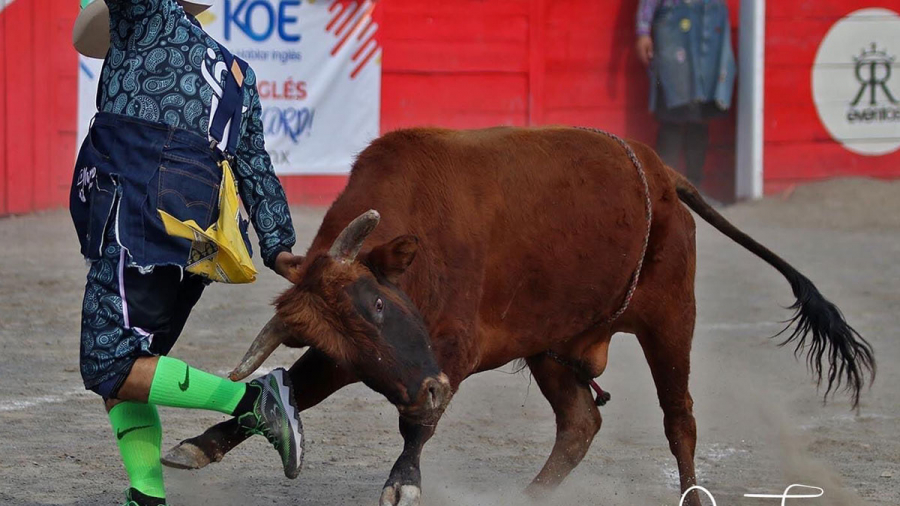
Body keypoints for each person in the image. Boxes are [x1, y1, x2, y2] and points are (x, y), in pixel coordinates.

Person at [70, 1, 305, 504]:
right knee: (132, 365)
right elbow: (255, 167)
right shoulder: (237, 71)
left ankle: (253, 400)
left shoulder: (147, 15)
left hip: (139, 204)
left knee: (109, 363)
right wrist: (279, 245)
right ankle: (146, 494)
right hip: (198, 225)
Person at [635, 0, 736, 187]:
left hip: (707, 36)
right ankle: (664, 189)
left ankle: (694, 187)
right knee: (671, 118)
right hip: (674, 36)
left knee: (699, 119)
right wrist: (642, 32)